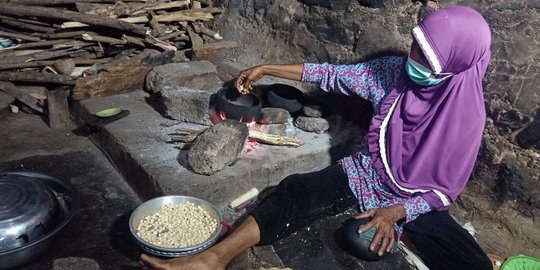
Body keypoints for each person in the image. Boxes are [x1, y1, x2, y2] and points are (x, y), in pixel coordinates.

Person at [140, 6, 493, 270]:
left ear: (457, 64)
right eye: (415, 45)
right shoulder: (393, 73)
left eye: (426, 57)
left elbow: (443, 191)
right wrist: (266, 67)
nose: (412, 58)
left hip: (414, 199)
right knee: (296, 189)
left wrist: (397, 211)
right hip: (367, 173)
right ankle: (214, 258)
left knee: (467, 261)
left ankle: (406, 232)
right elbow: (332, 74)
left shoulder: (468, 116)